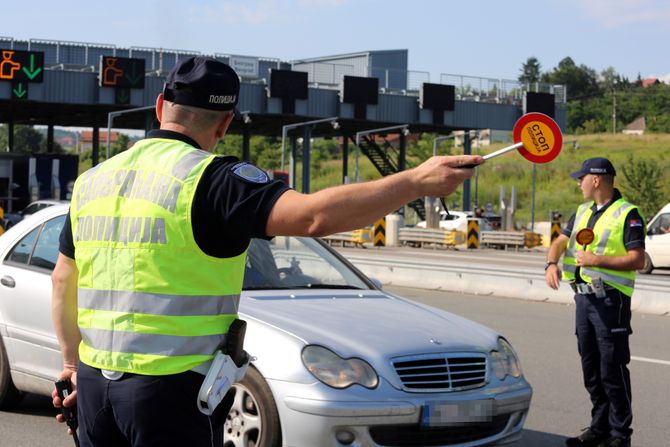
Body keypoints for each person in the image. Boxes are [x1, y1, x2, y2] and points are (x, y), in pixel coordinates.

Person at [51, 56, 483, 447]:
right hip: (167, 394)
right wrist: (415, 182)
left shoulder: (94, 181)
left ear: (161, 107)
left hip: (92, 388)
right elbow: (314, 217)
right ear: (225, 124)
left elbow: (63, 279)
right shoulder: (214, 179)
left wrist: (70, 365)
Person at [544, 158, 645, 447]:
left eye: (582, 178)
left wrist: (597, 260)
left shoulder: (628, 214)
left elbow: (637, 259)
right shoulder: (583, 210)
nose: (579, 183)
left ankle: (619, 435)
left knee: (612, 370)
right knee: (591, 369)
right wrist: (551, 263)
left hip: (611, 300)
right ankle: (598, 428)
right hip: (583, 299)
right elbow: (561, 241)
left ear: (596, 180)